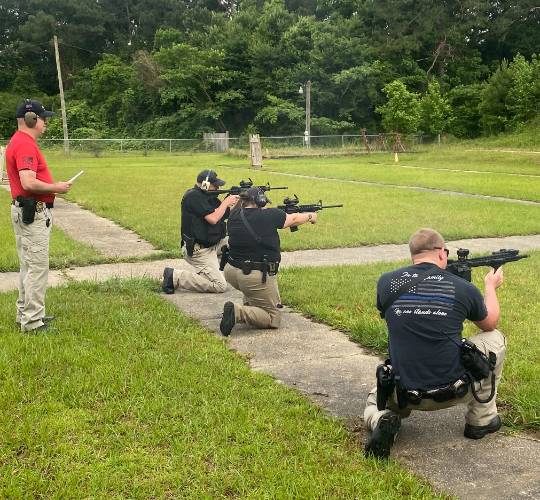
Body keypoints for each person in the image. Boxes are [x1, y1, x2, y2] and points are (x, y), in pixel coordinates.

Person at [364, 228, 506, 459]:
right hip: (455, 389)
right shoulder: (463, 288)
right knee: (495, 339)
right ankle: (481, 419)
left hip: (405, 394)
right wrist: (490, 286)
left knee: (373, 403)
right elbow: (489, 323)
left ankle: (382, 420)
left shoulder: (386, 282)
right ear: (443, 253)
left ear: (413, 255)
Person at [6, 99, 72, 333]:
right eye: (43, 118)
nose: (45, 122)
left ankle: (26, 314)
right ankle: (33, 322)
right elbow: (28, 182)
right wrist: (56, 187)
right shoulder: (25, 144)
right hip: (33, 213)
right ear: (32, 119)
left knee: (28, 266)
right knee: (37, 268)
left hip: (25, 211)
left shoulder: (18, 141)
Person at [219, 187, 317, 336]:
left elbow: (257, 217)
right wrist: (311, 216)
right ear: (261, 201)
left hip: (231, 271)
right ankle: (238, 312)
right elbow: (294, 219)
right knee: (272, 318)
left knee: (260, 293)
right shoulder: (270, 215)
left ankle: (251, 305)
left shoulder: (234, 214)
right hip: (253, 276)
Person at [162, 169, 239, 294]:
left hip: (213, 244)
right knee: (219, 285)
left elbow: (226, 215)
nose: (218, 187)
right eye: (216, 185)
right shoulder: (193, 197)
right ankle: (175, 276)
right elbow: (213, 219)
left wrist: (239, 199)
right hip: (200, 250)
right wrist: (226, 202)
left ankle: (219, 271)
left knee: (238, 240)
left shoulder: (209, 197)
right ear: (205, 184)